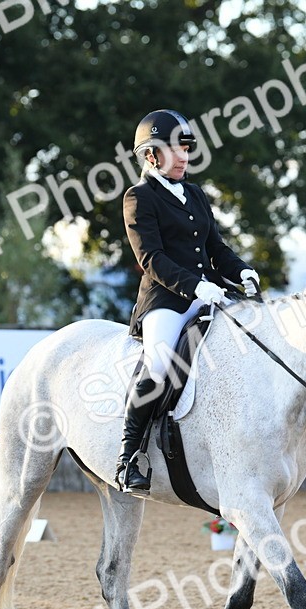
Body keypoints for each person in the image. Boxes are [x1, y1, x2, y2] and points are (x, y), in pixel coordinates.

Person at [115, 109, 259, 494]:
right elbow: (151, 258)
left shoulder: (195, 193)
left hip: (208, 292)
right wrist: (197, 287)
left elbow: (215, 248)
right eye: (176, 148)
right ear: (151, 155)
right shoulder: (139, 197)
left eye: (187, 147)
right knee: (160, 363)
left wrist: (241, 270)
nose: (184, 156)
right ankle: (129, 456)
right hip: (165, 300)